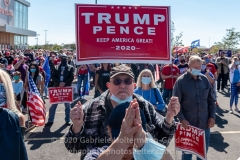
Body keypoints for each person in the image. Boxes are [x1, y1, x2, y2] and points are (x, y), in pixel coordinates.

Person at [64, 64, 180, 159]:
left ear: (134, 85)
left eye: (127, 81)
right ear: (109, 85)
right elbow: (72, 147)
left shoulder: (145, 106)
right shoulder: (90, 108)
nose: (123, 85)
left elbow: (161, 142)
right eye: (117, 81)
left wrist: (169, 119)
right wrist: (76, 128)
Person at [83, 101, 173, 160]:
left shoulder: (148, 155)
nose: (129, 142)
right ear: (108, 131)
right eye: (119, 134)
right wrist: (121, 143)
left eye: (135, 135)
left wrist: (143, 142)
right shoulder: (97, 153)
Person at [173, 55, 216, 160]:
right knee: (187, 155)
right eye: (195, 67)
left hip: (204, 125)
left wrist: (212, 116)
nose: (197, 69)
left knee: (202, 154)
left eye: (199, 67)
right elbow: (175, 103)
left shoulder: (205, 80)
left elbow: (211, 100)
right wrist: (182, 119)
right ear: (189, 66)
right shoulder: (181, 81)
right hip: (188, 125)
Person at [45, 53, 74, 126]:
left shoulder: (71, 67)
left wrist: (64, 83)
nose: (64, 60)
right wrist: (59, 83)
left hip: (66, 87)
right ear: (60, 59)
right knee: (53, 105)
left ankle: (67, 120)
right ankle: (50, 120)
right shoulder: (56, 67)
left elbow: (72, 77)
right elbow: (53, 76)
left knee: (67, 105)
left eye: (65, 59)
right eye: (63, 59)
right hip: (57, 87)